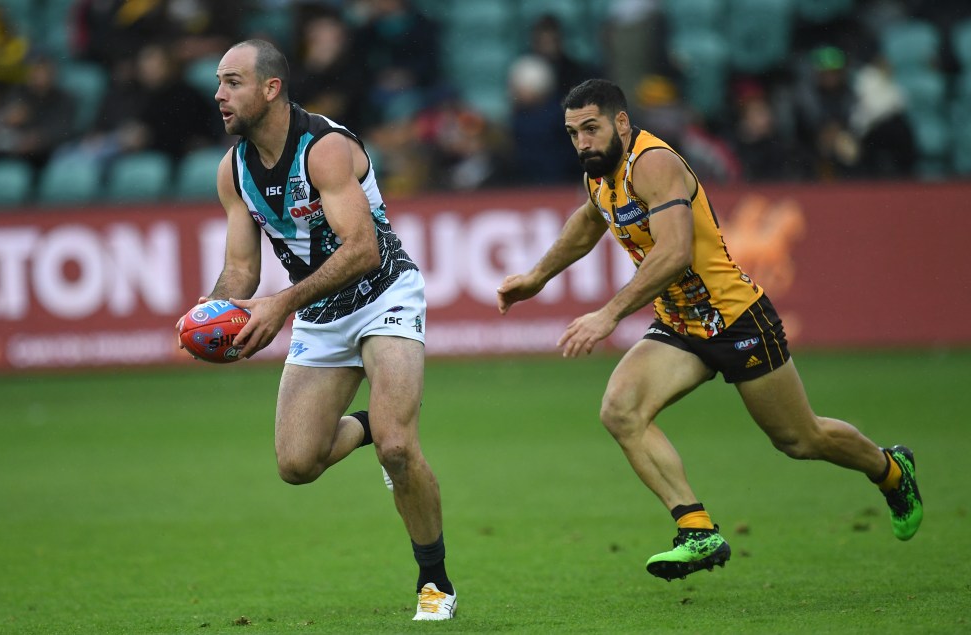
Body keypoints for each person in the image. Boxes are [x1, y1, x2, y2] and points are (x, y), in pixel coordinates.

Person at [496, 79, 923, 581]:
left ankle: (892, 470)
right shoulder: (599, 173)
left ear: (622, 123)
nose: (582, 142)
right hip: (681, 325)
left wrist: (609, 313)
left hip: (736, 318)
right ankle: (697, 530)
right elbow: (590, 221)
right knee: (621, 410)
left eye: (591, 128)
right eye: (573, 133)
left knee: (799, 439)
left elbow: (675, 254)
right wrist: (535, 278)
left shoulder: (652, 163)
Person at [176, 39, 456, 620]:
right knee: (297, 465)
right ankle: (371, 424)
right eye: (219, 84)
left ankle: (435, 584)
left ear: (270, 88)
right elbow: (242, 270)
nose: (219, 95)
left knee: (400, 449)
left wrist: (279, 305)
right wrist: (209, 311)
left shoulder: (325, 149)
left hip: (384, 293)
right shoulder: (233, 172)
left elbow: (361, 249)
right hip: (321, 312)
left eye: (232, 82)